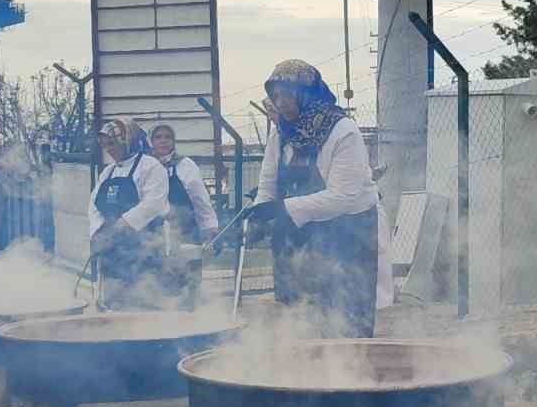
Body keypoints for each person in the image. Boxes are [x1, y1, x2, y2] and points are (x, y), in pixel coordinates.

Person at [247, 61, 379, 337]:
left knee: (345, 316)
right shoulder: (281, 132)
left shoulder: (342, 131)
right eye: (275, 96)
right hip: (296, 236)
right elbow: (268, 182)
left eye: (286, 94)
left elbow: (343, 197)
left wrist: (282, 209)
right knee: (299, 319)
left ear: (307, 93)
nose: (280, 103)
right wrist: (259, 215)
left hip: (347, 235)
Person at [87, 118, 169, 310]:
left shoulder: (150, 166)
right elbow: (94, 206)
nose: (109, 149)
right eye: (106, 145)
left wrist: (123, 223)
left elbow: (154, 203)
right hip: (113, 248)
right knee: (114, 302)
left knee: (144, 301)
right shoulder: (107, 172)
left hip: (145, 246)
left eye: (113, 144)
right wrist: (98, 232)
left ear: (128, 140)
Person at [149, 122, 220, 308]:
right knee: (160, 288)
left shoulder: (186, 165)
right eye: (158, 137)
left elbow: (201, 200)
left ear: (174, 141)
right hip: (155, 237)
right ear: (151, 142)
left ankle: (191, 325)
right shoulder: (145, 166)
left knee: (189, 286)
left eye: (167, 137)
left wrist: (211, 229)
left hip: (186, 233)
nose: (163, 140)